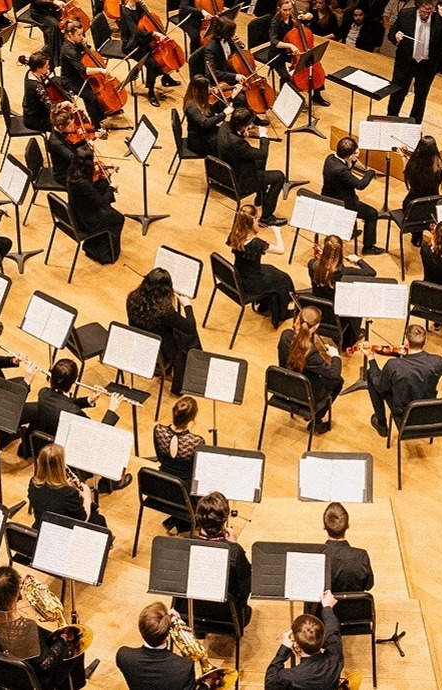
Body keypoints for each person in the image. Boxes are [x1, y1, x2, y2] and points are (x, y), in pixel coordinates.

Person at [0, 566, 87, 690]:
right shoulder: (26, 627)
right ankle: (74, 685)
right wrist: (64, 638)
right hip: (32, 680)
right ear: (14, 595)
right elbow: (47, 663)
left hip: (3, 663)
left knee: (48, 635)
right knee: (76, 645)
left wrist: (21, 581)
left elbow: (3, 587)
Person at [170, 492, 253, 633]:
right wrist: (233, 545)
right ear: (225, 518)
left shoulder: (183, 546)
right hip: (227, 618)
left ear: (197, 517)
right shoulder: (235, 552)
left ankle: (200, 630)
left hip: (188, 613)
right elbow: (246, 586)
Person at [19, 358, 123, 457]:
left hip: (39, 442)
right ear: (74, 381)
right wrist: (111, 409)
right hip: (59, 451)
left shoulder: (43, 393)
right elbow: (97, 435)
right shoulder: (75, 413)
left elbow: (63, 402)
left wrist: (89, 400)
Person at [126, 268, 202, 393]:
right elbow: (190, 327)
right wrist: (187, 305)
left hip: (140, 342)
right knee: (190, 339)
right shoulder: (165, 312)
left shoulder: (132, 298)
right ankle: (178, 388)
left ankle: (167, 371)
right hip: (161, 351)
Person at [366, 324, 442, 437]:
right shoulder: (437, 362)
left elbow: (379, 385)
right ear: (425, 342)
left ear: (406, 342)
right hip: (429, 412)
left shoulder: (393, 365)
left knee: (372, 375)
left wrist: (371, 358)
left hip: (404, 415)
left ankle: (382, 425)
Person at [385, 0, 442, 123]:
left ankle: (415, 124)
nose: (426, 15)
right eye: (423, 12)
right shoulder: (405, 14)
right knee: (397, 93)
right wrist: (395, 36)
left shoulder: (440, 18)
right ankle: (391, 120)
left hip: (426, 65)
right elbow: (392, 32)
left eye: (429, 12)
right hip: (406, 62)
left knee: (421, 97)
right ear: (418, 7)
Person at [227, 204, 296, 328]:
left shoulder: (234, 234)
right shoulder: (256, 243)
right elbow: (281, 250)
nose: (258, 220)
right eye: (256, 218)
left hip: (239, 276)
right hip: (251, 282)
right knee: (283, 279)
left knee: (271, 269)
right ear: (252, 221)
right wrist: (277, 233)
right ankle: (281, 314)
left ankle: (266, 305)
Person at [277, 306, 343, 432]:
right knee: (338, 381)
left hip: (283, 387)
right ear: (315, 327)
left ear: (297, 319)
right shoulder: (311, 353)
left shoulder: (285, 335)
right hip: (304, 394)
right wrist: (335, 356)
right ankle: (316, 421)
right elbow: (334, 374)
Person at [219, 108, 288, 226]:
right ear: (243, 126)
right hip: (240, 181)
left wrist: (242, 133)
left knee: (260, 161)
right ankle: (267, 218)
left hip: (225, 172)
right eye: (249, 123)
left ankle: (260, 196)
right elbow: (262, 153)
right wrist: (263, 136)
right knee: (279, 177)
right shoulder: (237, 143)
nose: (251, 125)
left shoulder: (224, 126)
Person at [264, 590, 344, 690]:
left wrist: (283, 650)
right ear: (323, 638)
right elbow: (333, 632)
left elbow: (269, 684)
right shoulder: (335, 657)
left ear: (296, 645)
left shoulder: (289, 677)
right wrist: (327, 607)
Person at [307, 236, 376, 350]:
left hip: (320, 309)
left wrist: (321, 257)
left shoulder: (312, 265)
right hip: (339, 313)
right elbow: (371, 273)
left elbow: (322, 268)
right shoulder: (344, 273)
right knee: (358, 300)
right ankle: (350, 338)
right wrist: (358, 260)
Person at [115, 602, 197, 690]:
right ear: (168, 636)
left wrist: (164, 620)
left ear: (140, 629)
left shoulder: (124, 656)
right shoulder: (185, 667)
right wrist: (206, 685)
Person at [321, 137, 382, 255]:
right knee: (372, 214)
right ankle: (368, 247)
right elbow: (360, 185)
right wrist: (371, 173)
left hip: (328, 196)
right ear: (349, 155)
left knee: (358, 202)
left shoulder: (330, 158)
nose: (357, 154)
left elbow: (347, 167)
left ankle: (351, 231)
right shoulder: (341, 171)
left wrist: (352, 160)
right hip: (342, 203)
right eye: (355, 153)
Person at [64, 147, 125, 264]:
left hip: (77, 211)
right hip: (85, 220)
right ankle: (108, 254)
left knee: (103, 185)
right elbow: (102, 203)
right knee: (119, 218)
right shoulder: (83, 183)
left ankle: (93, 246)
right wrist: (112, 188)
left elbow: (90, 190)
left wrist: (108, 174)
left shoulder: (71, 172)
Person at [151, 395, 202, 534]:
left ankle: (177, 521)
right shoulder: (196, 441)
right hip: (183, 490)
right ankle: (183, 522)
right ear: (192, 418)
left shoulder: (158, 430)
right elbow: (198, 469)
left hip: (161, 485)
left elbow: (160, 457)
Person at [119, 0, 182, 108]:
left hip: (144, 40)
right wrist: (154, 33)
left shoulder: (139, 6)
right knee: (152, 63)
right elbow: (136, 33)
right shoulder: (126, 12)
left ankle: (166, 78)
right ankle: (151, 92)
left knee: (159, 57)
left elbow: (147, 20)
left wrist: (145, 8)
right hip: (132, 45)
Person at [29, 443, 108, 529]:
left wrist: (65, 485)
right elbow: (83, 519)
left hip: (41, 526)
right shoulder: (68, 493)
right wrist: (87, 497)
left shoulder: (33, 483)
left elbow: (51, 499)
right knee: (99, 520)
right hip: (61, 530)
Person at [268, 0, 331, 106]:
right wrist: (290, 45)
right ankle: (283, 100)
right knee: (285, 76)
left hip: (293, 52)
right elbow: (274, 41)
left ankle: (316, 95)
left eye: (289, 9)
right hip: (278, 54)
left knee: (313, 65)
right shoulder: (275, 22)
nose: (288, 12)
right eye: (284, 10)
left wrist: (307, 16)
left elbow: (310, 17)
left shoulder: (293, 16)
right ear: (279, 9)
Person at [401, 136, 442, 239]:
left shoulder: (412, 164)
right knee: (427, 214)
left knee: (418, 213)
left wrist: (404, 157)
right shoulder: (441, 168)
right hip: (433, 206)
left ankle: (416, 237)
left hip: (412, 207)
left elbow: (405, 171)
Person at [59, 19, 111, 125]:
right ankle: (96, 125)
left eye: (82, 34)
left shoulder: (75, 42)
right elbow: (84, 70)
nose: (81, 37)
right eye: (79, 35)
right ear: (70, 34)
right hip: (71, 80)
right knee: (90, 97)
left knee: (95, 90)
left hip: (79, 76)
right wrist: (100, 70)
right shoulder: (68, 50)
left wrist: (86, 45)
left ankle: (102, 115)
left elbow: (87, 55)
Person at [320, 502, 373, 595]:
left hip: (323, 605)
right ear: (347, 525)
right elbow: (368, 585)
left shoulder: (316, 557)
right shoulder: (361, 556)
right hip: (355, 605)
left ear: (324, 526)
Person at [182, 77, 226, 159]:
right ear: (201, 90)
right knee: (227, 145)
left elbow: (213, 111)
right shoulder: (192, 107)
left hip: (206, 133)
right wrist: (223, 114)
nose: (210, 89)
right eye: (207, 87)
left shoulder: (200, 99)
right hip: (199, 142)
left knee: (228, 135)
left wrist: (224, 97)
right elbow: (205, 123)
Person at [21, 52, 60, 134]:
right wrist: (64, 104)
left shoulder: (30, 72)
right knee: (62, 124)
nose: (48, 67)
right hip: (35, 119)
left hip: (37, 110)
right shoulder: (36, 86)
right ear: (38, 68)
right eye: (46, 66)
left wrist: (43, 76)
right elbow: (50, 106)